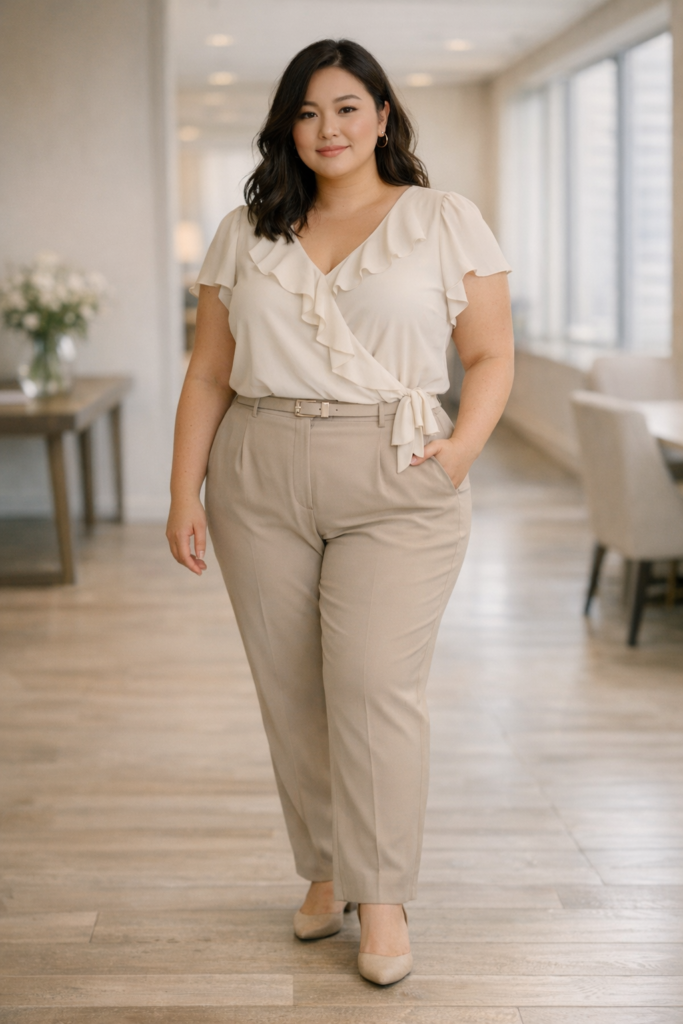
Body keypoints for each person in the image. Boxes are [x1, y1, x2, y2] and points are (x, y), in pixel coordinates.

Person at [166, 38, 514, 986]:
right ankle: (326, 869)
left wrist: (459, 455)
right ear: (287, 124)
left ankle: (383, 893)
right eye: (309, 111)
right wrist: (180, 491)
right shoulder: (247, 230)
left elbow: (488, 356)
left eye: (348, 107)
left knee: (370, 686)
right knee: (293, 691)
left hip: (398, 468)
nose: (329, 128)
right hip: (259, 467)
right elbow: (206, 370)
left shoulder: (444, 219)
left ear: (384, 116)